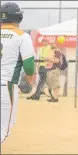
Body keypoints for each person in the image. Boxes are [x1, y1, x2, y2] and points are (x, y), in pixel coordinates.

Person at [1, 2, 35, 143]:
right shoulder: (22, 36)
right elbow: (28, 66)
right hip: (6, 86)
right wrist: (30, 79)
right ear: (18, 17)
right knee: (4, 129)